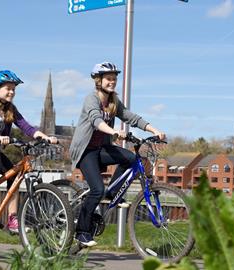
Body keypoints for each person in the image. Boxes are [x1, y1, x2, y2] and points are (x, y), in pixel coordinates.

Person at [69, 62, 166, 247]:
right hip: (85, 151)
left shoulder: (113, 101)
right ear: (98, 80)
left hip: (101, 149)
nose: (112, 82)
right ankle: (82, 232)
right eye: (108, 78)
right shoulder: (92, 98)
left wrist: (154, 130)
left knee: (131, 158)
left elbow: (131, 117)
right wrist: (113, 132)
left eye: (114, 79)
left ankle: (113, 194)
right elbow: (96, 120)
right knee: (97, 189)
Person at [0, 70, 57, 233]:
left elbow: (25, 126)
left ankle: (12, 219)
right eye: (8, 88)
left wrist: (44, 137)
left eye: (14, 89)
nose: (12, 92)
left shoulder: (10, 109)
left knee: (13, 176)